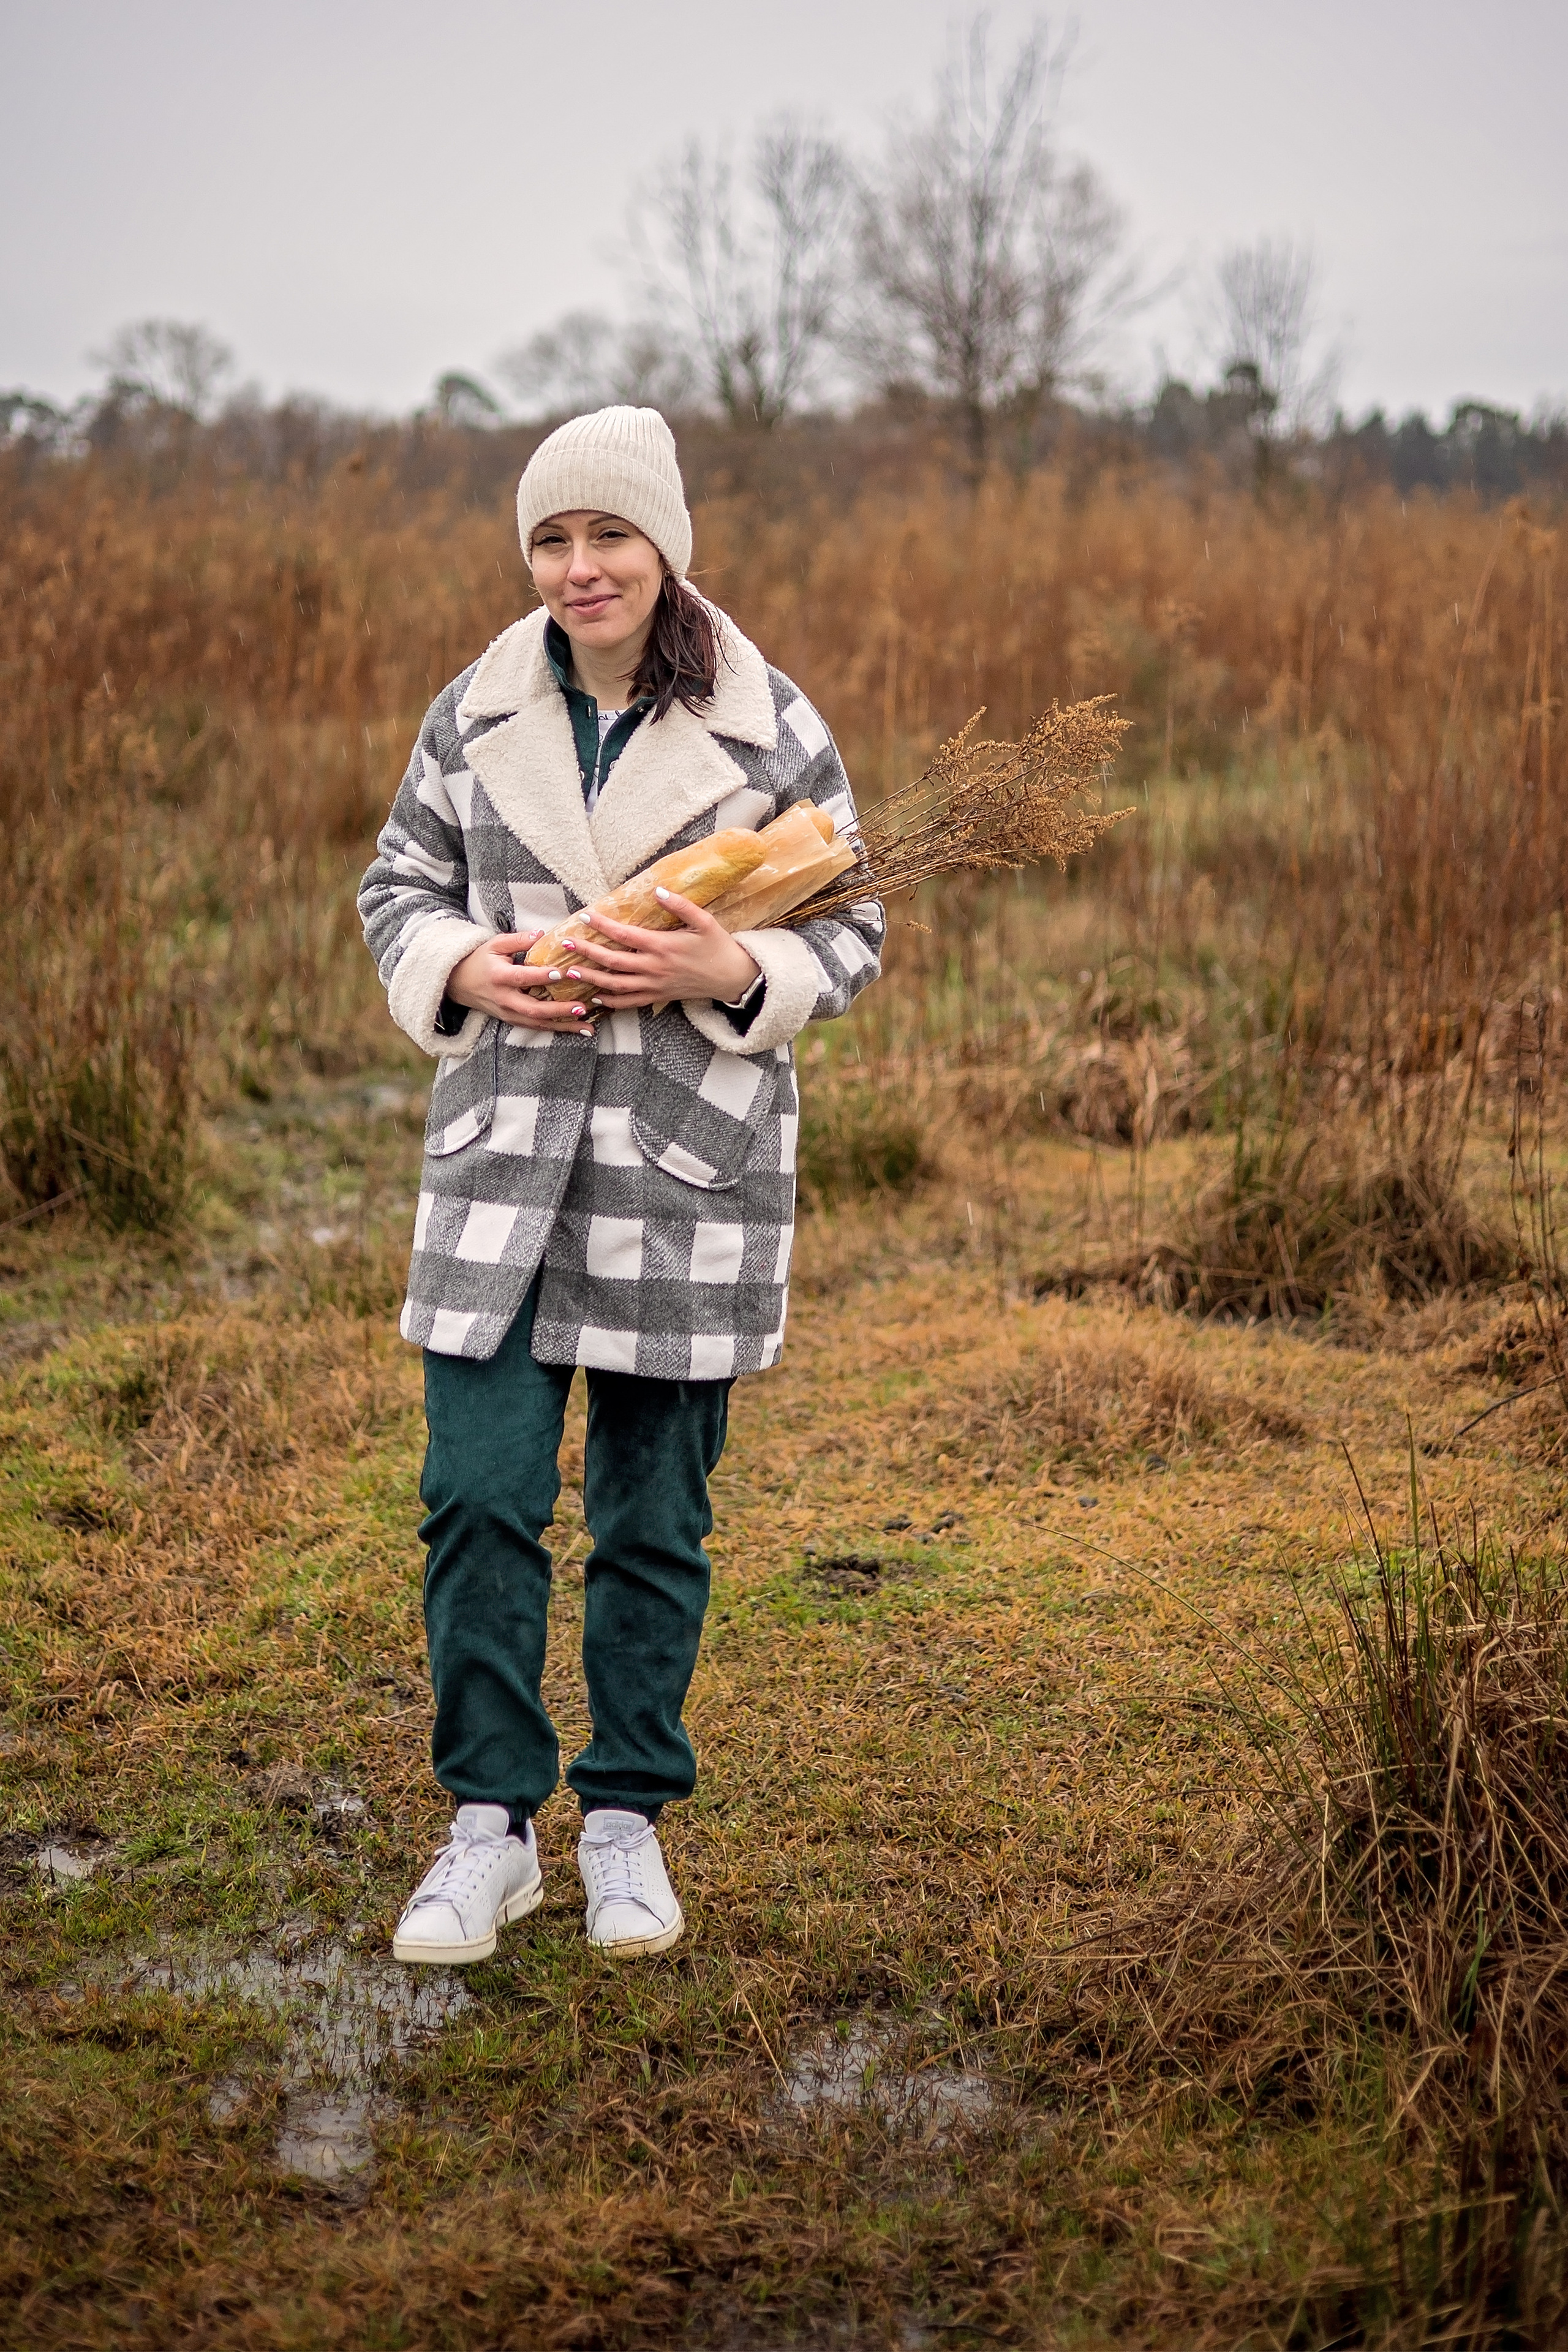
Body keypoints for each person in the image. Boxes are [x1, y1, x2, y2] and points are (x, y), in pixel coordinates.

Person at [358, 405, 883, 1965]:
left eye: (609, 535)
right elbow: (398, 884)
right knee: (476, 1497)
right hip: (504, 1157)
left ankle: (624, 1822)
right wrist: (468, 966)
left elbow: (851, 927)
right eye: (551, 539)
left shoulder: (768, 723)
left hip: (685, 1163)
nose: (579, 567)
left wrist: (730, 968)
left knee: (653, 1517)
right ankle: (488, 1828)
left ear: (665, 547)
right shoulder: (475, 713)